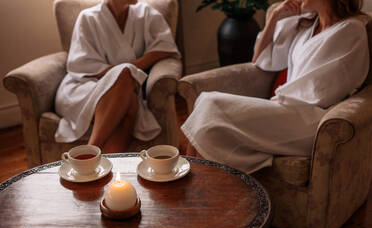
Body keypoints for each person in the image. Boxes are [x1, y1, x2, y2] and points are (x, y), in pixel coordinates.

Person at [182, 0, 370, 174]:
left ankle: (189, 188)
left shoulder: (351, 30)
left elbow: (326, 87)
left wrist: (279, 100)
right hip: (287, 110)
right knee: (208, 117)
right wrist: (275, 16)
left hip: (314, 122)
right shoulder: (306, 26)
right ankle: (201, 194)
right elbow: (259, 59)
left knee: (210, 103)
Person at [55, 0, 180, 152]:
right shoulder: (88, 17)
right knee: (129, 95)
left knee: (126, 82)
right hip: (84, 86)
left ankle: (91, 157)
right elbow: (81, 64)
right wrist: (121, 74)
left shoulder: (146, 13)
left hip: (127, 87)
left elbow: (165, 48)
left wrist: (127, 71)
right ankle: (91, 154)